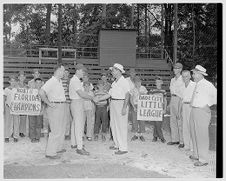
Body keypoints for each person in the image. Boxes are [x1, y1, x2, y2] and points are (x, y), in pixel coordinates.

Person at [94, 63, 130, 155]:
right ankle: (117, 144)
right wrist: (99, 98)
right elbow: (109, 94)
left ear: (118, 71)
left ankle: (123, 148)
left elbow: (127, 95)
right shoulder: (114, 82)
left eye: (113, 70)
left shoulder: (124, 81)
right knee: (113, 124)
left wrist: (124, 107)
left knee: (121, 126)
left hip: (121, 103)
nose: (112, 72)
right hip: (113, 103)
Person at [189, 65, 217, 167]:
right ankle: (196, 154)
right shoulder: (197, 84)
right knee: (194, 132)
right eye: (193, 73)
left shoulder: (207, 85)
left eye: (194, 73)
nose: (193, 75)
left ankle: (203, 159)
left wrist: (207, 104)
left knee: (202, 135)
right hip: (194, 110)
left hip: (201, 111)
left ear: (200, 74)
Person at [39, 64, 66, 159]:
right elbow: (41, 92)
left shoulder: (59, 81)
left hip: (61, 106)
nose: (64, 72)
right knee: (55, 130)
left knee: (61, 128)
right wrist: (49, 103)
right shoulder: (51, 81)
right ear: (57, 71)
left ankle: (58, 148)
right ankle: (50, 153)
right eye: (63, 70)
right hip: (54, 107)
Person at [69, 63, 94, 156]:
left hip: (76, 102)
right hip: (77, 102)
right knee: (79, 125)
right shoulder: (75, 80)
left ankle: (73, 143)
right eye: (82, 71)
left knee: (75, 124)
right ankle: (79, 147)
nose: (83, 73)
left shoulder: (76, 80)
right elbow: (81, 94)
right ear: (78, 70)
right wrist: (92, 98)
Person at [167, 63, 185, 147]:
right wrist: (170, 104)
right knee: (172, 120)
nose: (175, 70)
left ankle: (182, 141)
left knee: (179, 120)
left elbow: (183, 94)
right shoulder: (172, 80)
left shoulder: (183, 79)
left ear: (181, 69)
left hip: (180, 99)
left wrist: (180, 105)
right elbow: (171, 93)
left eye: (177, 68)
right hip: (173, 99)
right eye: (174, 68)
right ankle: (175, 139)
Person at [181, 70, 196, 150]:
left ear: (190, 76)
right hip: (184, 106)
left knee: (191, 126)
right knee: (185, 126)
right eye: (183, 76)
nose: (185, 78)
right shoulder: (182, 85)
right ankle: (186, 145)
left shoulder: (194, 85)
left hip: (191, 106)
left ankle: (193, 147)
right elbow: (181, 98)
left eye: (186, 76)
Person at [129, 76, 148, 142]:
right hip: (135, 105)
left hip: (142, 105)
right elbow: (131, 99)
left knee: (141, 120)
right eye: (136, 82)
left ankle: (141, 134)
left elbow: (147, 97)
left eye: (139, 82)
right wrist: (133, 107)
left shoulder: (143, 88)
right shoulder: (132, 89)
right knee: (134, 120)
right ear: (134, 83)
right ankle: (136, 134)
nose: (138, 83)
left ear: (141, 82)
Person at [149, 76, 167, 143]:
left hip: (161, 109)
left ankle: (155, 136)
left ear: (161, 82)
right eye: (156, 82)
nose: (158, 83)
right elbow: (149, 99)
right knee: (156, 123)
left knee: (159, 123)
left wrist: (165, 109)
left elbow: (165, 100)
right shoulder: (152, 91)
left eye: (159, 82)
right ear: (155, 83)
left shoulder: (163, 91)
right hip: (154, 109)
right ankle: (161, 137)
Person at [4, 75, 20, 143]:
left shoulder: (18, 89)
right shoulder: (6, 89)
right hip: (8, 107)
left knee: (16, 122)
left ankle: (15, 136)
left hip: (16, 107)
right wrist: (3, 108)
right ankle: (7, 136)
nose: (13, 82)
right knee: (8, 122)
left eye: (14, 81)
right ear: (9, 81)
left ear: (16, 82)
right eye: (11, 81)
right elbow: (4, 98)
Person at [28, 77, 44, 143]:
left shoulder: (43, 91)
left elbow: (44, 101)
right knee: (32, 124)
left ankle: (37, 137)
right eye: (37, 83)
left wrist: (42, 109)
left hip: (40, 110)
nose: (38, 84)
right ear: (34, 83)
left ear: (41, 83)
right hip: (31, 110)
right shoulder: (30, 91)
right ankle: (32, 137)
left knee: (38, 124)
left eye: (39, 83)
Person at [62, 65, 72, 140]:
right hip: (61, 102)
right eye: (64, 72)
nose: (66, 74)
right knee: (61, 119)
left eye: (67, 72)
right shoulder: (60, 80)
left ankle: (67, 133)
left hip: (68, 102)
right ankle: (61, 133)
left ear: (68, 73)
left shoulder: (71, 81)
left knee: (68, 119)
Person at [17, 71, 29, 138]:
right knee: (16, 118)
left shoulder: (26, 85)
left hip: (24, 104)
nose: (22, 77)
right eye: (20, 76)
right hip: (17, 103)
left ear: (25, 77)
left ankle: (21, 131)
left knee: (23, 118)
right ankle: (15, 131)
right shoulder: (15, 84)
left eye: (23, 76)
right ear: (18, 77)